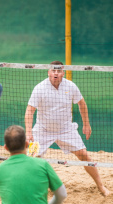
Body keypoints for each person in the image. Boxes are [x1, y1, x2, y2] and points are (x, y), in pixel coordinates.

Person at [25, 61, 110, 196]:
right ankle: (30, 188)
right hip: (43, 130)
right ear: (48, 72)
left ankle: (101, 186)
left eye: (59, 71)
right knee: (31, 157)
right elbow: (30, 111)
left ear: (63, 72)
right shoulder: (39, 88)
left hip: (66, 130)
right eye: (53, 71)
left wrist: (86, 124)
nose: (56, 73)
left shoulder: (70, 86)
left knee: (84, 155)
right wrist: (29, 132)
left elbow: (82, 104)